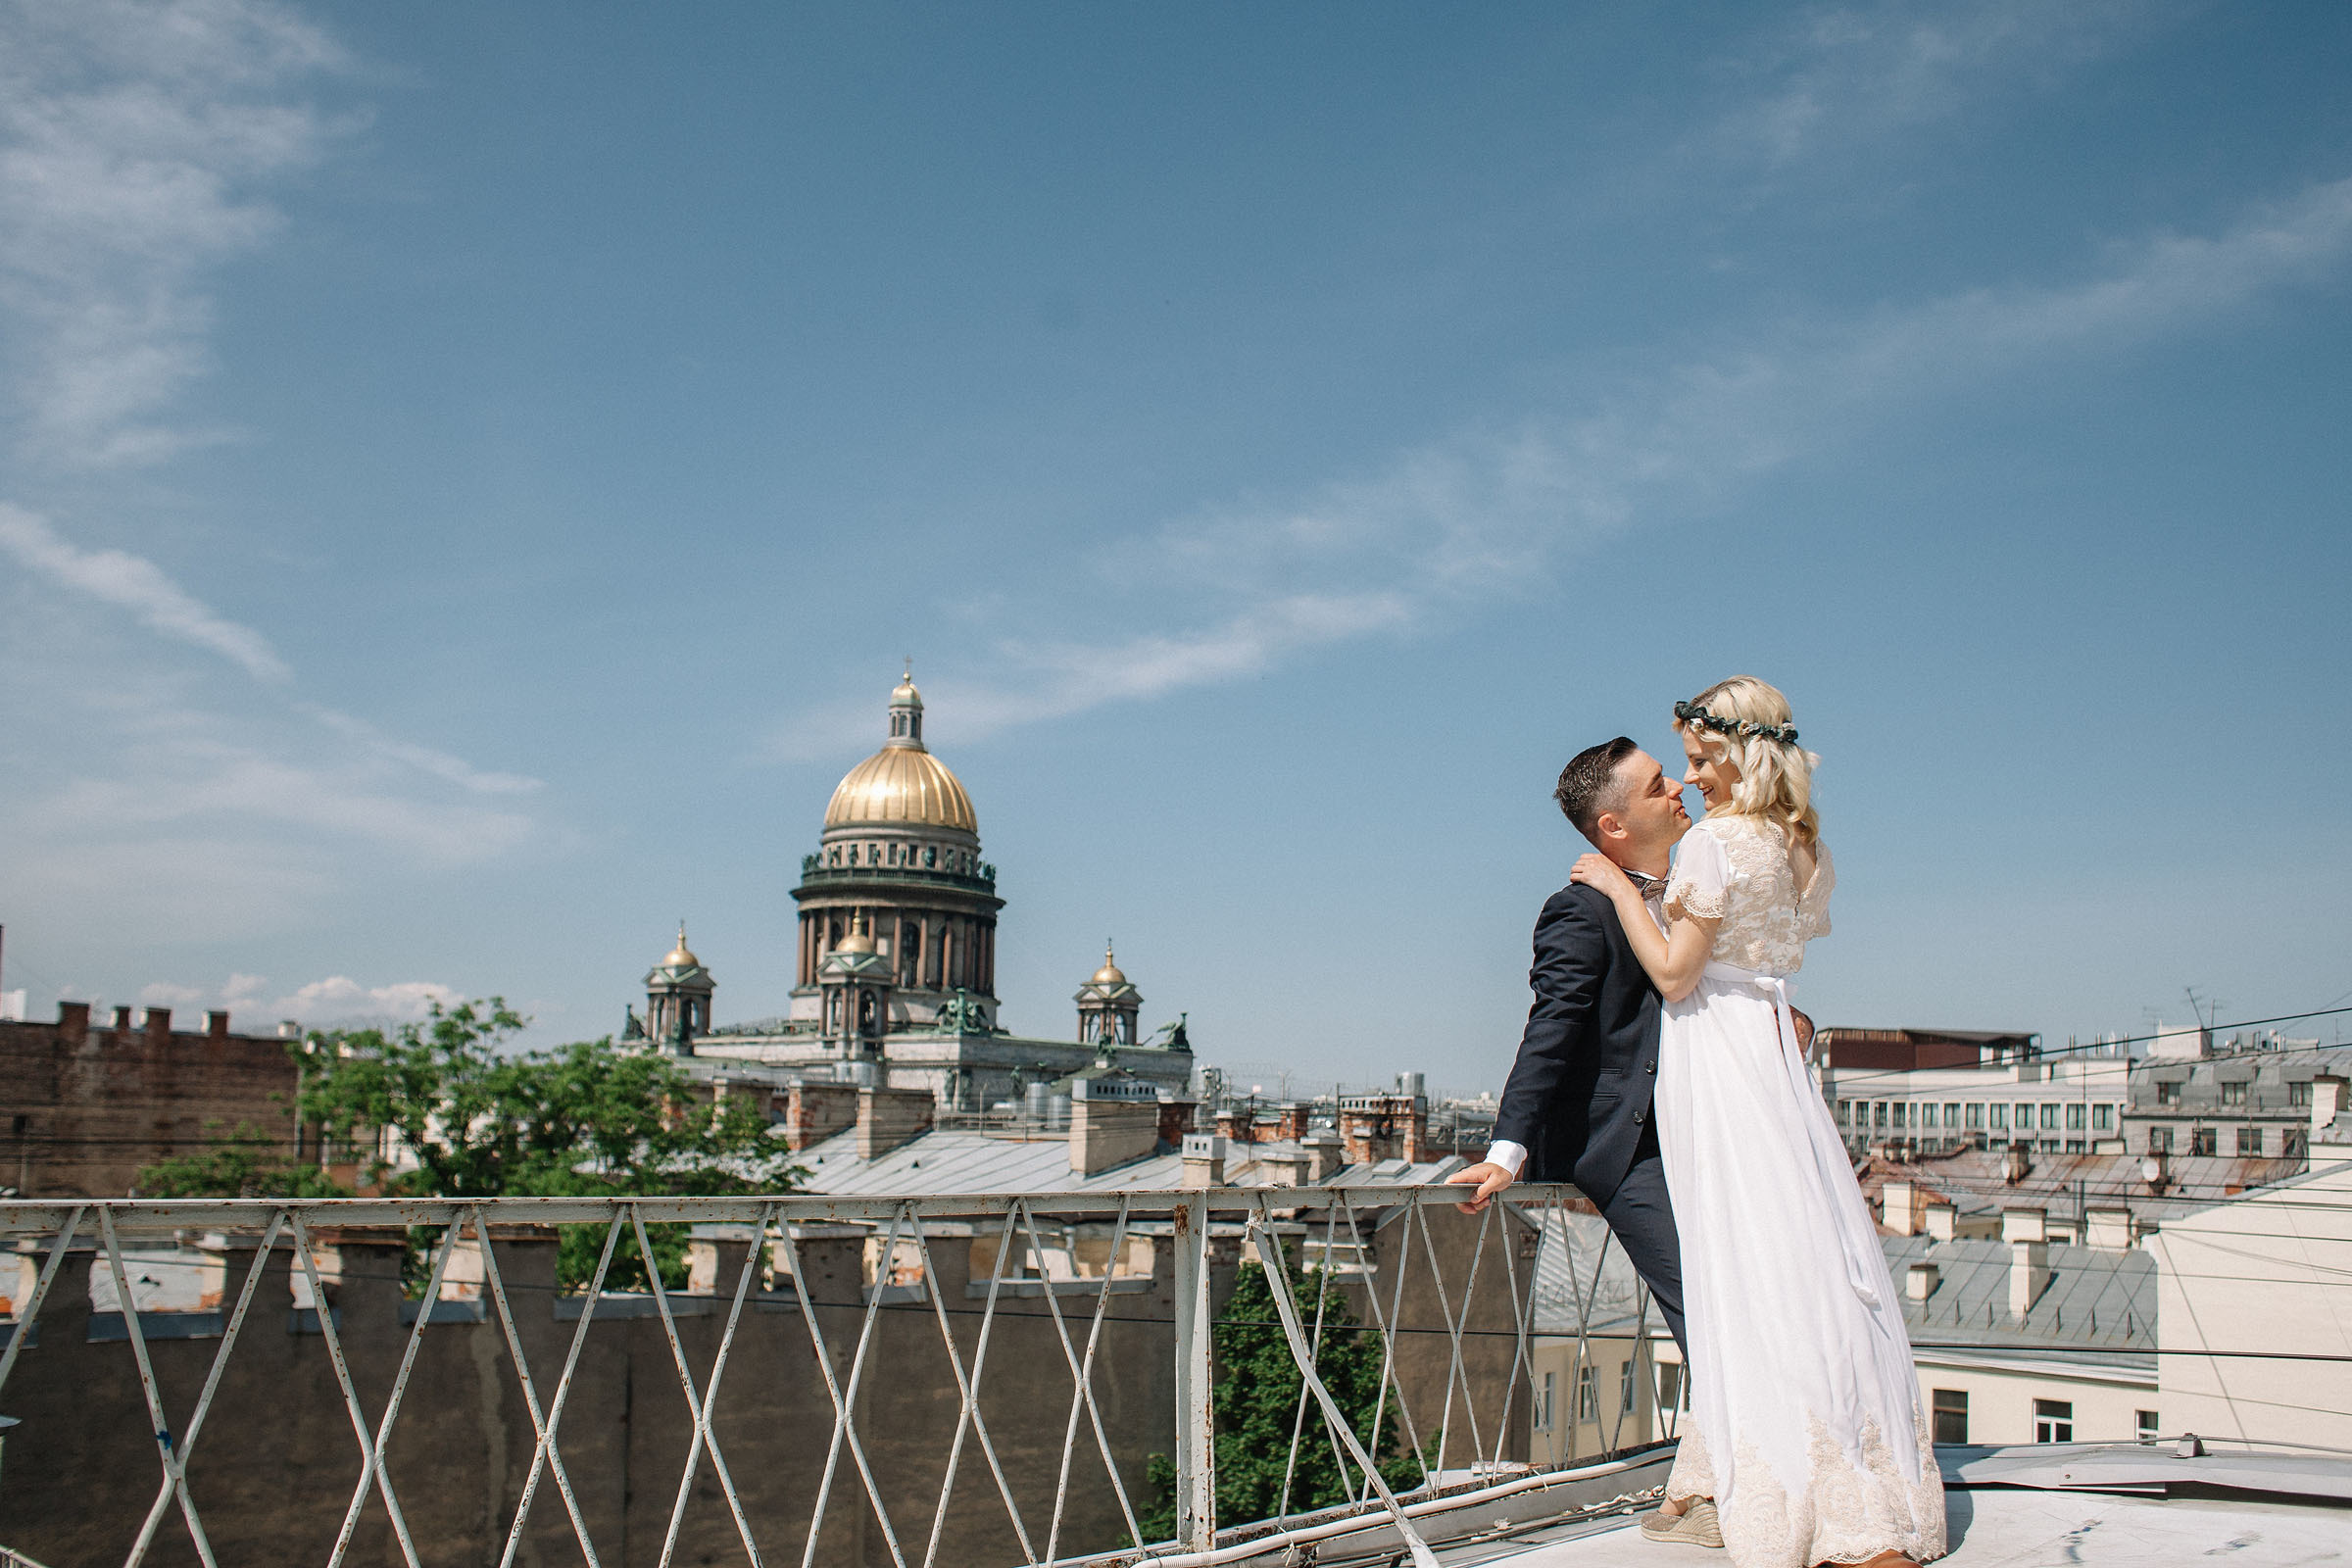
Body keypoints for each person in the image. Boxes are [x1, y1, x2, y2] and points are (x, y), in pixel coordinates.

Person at [1569, 677, 1944, 1568]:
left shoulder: (1714, 845)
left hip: (1719, 1057)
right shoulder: (1793, 844)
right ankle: (1852, 1467)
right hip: (1772, 1048)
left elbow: (1673, 975)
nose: (1692, 781)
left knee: (1741, 1257)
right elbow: (1763, 947)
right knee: (1802, 1249)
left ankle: (1787, 1478)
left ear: (1740, 753)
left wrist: (1622, 892)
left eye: (1700, 761)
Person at [1445, 736, 1726, 1549]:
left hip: (1704, 1130)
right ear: (1612, 824)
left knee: (1743, 1298)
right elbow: (1554, 1027)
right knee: (1704, 1310)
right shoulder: (1582, 907)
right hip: (1626, 1146)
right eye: (1656, 784)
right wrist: (1509, 1150)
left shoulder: (1689, 889)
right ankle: (1719, 1488)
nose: (1679, 788)